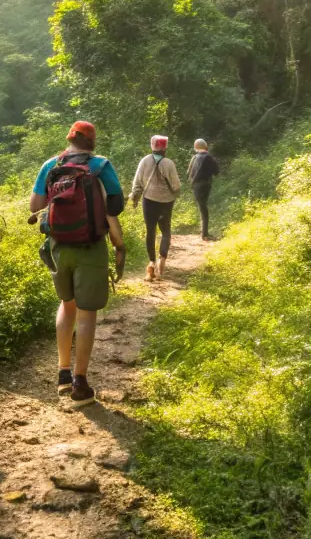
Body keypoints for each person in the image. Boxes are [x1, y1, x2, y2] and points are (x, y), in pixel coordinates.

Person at [31, 120, 126, 407]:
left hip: (59, 247)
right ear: (91, 142)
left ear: (70, 139)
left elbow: (35, 207)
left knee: (66, 304)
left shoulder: (51, 165)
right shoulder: (100, 165)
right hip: (90, 247)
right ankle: (80, 383)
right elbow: (116, 205)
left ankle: (62, 373)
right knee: (87, 314)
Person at [131, 135, 181, 281]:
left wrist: (135, 198)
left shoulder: (145, 161)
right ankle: (162, 259)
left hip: (149, 201)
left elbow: (137, 183)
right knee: (165, 230)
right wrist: (175, 193)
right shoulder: (169, 163)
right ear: (165, 148)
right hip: (166, 202)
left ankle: (151, 263)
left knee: (150, 231)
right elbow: (176, 186)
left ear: (152, 146)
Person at [187, 138, 221, 241]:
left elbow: (188, 173)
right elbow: (216, 171)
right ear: (205, 146)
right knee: (204, 209)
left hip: (195, 186)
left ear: (196, 147)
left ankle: (203, 231)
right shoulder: (208, 157)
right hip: (205, 185)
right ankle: (205, 234)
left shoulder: (194, 157)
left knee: (202, 207)